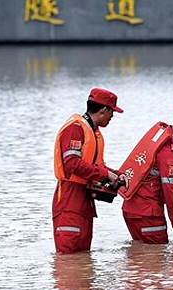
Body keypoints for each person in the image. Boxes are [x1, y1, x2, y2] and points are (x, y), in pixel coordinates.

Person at [52, 87, 126, 254]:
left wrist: (117, 174)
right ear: (104, 110)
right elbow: (71, 164)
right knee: (68, 258)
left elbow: (95, 166)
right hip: (69, 201)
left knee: (83, 259)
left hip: (84, 202)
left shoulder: (93, 132)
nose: (112, 117)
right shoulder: (75, 128)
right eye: (112, 112)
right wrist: (106, 174)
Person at [119, 103, 173, 244]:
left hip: (132, 209)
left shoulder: (164, 138)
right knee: (156, 258)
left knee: (143, 256)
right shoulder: (170, 152)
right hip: (148, 213)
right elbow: (171, 193)